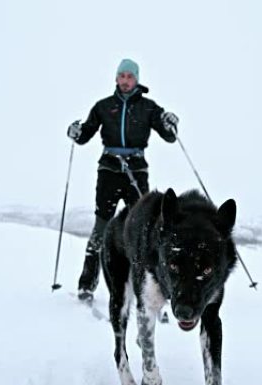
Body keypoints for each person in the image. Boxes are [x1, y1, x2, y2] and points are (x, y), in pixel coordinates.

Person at [67, 58, 179, 301]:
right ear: (116, 79)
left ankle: (154, 286)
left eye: (130, 76)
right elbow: (84, 135)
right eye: (122, 76)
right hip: (109, 169)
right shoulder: (103, 107)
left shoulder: (149, 108)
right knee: (101, 226)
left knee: (145, 229)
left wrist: (170, 123)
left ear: (136, 80)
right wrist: (75, 132)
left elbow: (169, 136)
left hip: (136, 170)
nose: (126, 80)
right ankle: (87, 285)